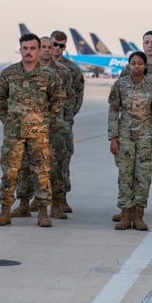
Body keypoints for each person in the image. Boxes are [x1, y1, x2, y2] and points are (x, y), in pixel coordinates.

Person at [0, 33, 66, 227]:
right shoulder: (9, 74)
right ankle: (5, 210)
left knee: (41, 172)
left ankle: (43, 211)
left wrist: (46, 120)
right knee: (9, 172)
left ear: (39, 50)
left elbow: (58, 99)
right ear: (20, 49)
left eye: (33, 48)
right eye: (25, 48)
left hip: (38, 133)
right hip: (14, 133)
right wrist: (8, 120)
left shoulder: (49, 75)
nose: (28, 52)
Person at [11, 37, 74, 221]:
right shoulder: (23, 70)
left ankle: (55, 204)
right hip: (27, 128)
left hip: (54, 128)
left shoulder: (62, 72)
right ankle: (24, 203)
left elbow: (69, 99)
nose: (49, 50)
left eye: (51, 46)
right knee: (24, 167)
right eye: (45, 46)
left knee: (53, 167)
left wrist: (56, 119)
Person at [108, 51, 152, 231]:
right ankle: (125, 214)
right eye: (133, 63)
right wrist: (113, 138)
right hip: (124, 138)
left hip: (146, 139)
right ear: (129, 65)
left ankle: (138, 215)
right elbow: (114, 112)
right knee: (125, 176)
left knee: (143, 177)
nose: (136, 66)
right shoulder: (120, 85)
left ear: (145, 66)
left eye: (140, 63)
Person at [51, 30, 85, 213]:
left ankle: (62, 197)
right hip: (41, 123)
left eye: (61, 45)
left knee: (63, 160)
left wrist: (69, 115)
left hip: (63, 123)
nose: (57, 48)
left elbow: (78, 93)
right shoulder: (39, 65)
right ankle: (36, 197)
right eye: (54, 44)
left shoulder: (72, 69)